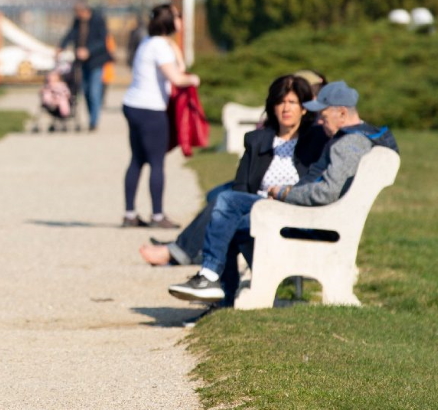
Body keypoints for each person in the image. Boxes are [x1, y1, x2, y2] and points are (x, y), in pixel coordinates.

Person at [167, 80, 398, 304]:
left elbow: (325, 193)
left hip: (314, 221)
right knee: (227, 207)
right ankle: (216, 289)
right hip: (314, 216)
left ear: (342, 114)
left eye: (324, 116)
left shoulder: (348, 145)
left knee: (228, 203)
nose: (320, 121)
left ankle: (211, 281)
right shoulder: (355, 138)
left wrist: (284, 193)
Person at [139, 74, 326, 277]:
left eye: (292, 102)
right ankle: (212, 280)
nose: (286, 108)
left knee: (221, 205)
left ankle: (197, 265)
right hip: (255, 207)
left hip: (291, 210)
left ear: (304, 108)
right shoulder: (258, 140)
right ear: (272, 106)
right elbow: (241, 187)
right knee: (224, 205)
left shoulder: (315, 140)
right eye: (280, 102)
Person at [121, 3, 200, 229]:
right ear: (169, 21)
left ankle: (129, 214)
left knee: (137, 160)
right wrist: (194, 80)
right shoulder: (160, 47)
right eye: (177, 16)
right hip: (150, 109)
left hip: (133, 105)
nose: (181, 20)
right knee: (156, 162)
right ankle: (157, 216)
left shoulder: (149, 42)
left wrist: (173, 46)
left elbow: (180, 64)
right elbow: (177, 77)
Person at [56, 0, 112, 130]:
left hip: (96, 61)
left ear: (84, 10)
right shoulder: (77, 22)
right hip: (82, 62)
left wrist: (88, 51)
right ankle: (91, 117)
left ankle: (94, 121)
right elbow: (71, 34)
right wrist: (61, 46)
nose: (76, 14)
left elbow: (103, 42)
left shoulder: (98, 20)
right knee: (85, 91)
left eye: (78, 11)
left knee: (94, 91)